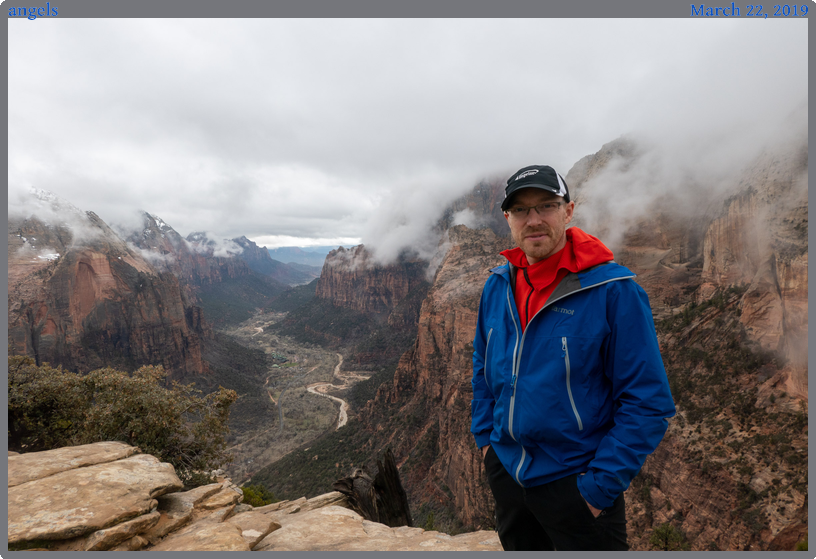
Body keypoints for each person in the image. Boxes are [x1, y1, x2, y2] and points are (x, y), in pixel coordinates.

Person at [470, 164, 676, 551]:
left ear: (569, 210)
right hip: (509, 475)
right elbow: (482, 369)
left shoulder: (614, 291)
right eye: (520, 210)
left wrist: (597, 490)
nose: (533, 220)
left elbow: (649, 403)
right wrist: (486, 441)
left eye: (546, 206)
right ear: (507, 219)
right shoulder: (497, 286)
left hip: (577, 484)